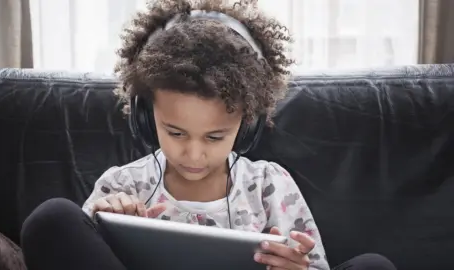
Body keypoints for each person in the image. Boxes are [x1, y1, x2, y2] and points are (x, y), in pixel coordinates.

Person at [20, 0, 397, 269]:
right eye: (176, 132)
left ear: (246, 125)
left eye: (215, 137)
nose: (194, 155)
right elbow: (74, 251)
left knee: (373, 266)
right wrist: (102, 226)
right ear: (145, 116)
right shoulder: (122, 185)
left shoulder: (269, 185)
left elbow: (314, 264)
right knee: (52, 220)